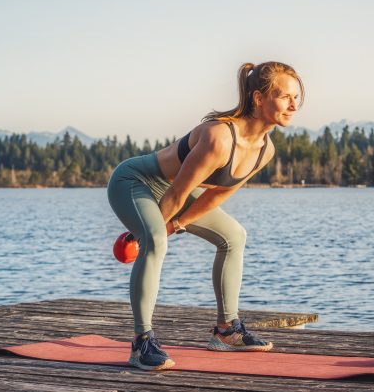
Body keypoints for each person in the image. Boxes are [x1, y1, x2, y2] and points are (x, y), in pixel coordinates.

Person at [106, 61, 304, 371]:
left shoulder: (265, 150)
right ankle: (141, 342)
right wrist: (150, 233)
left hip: (173, 191)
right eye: (285, 97)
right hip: (135, 182)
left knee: (234, 236)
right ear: (258, 99)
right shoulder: (219, 137)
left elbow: (218, 194)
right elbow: (176, 195)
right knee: (156, 242)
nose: (294, 105)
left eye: (297, 98)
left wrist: (178, 223)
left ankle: (227, 331)